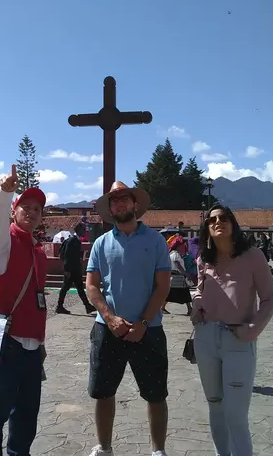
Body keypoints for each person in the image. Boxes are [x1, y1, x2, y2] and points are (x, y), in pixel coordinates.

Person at [85, 181, 171, 456]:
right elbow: (91, 286)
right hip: (108, 329)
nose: (120, 203)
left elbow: (163, 286)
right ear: (110, 209)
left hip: (149, 329)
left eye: (124, 198)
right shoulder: (101, 244)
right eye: (114, 200)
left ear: (135, 204)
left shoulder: (156, 241)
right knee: (103, 392)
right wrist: (109, 317)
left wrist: (143, 322)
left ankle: (158, 450)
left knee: (156, 394)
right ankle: (104, 447)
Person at [191, 205, 273, 456]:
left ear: (233, 223)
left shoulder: (253, 257)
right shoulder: (204, 259)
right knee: (215, 406)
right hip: (205, 338)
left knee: (236, 414)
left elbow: (269, 299)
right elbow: (199, 289)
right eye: (212, 220)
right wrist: (196, 304)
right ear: (207, 228)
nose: (218, 222)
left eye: (224, 218)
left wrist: (253, 330)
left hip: (238, 340)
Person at [0, 165, 49, 456]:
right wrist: (5, 193)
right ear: (14, 212)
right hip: (7, 342)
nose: (31, 212)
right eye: (25, 207)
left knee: (27, 415)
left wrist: (40, 343)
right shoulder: (3, 244)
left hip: (31, 347)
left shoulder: (37, 250)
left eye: (37, 209)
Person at [56, 222, 96, 315]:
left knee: (79, 287)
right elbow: (67, 255)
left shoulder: (74, 240)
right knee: (65, 287)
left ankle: (87, 306)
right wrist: (67, 270)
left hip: (75, 269)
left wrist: (81, 254)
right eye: (83, 230)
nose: (85, 232)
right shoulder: (73, 240)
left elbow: (72, 254)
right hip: (71, 270)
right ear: (79, 230)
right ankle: (59, 306)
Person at [163, 235, 193, 315]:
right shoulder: (175, 254)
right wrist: (186, 274)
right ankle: (189, 308)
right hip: (177, 276)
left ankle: (189, 308)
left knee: (182, 292)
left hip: (176, 277)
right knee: (175, 293)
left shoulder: (174, 254)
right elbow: (178, 265)